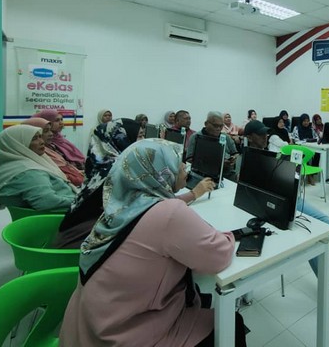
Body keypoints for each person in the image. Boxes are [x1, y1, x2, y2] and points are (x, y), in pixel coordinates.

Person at [59, 139, 247, 346]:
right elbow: (218, 257)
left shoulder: (120, 204)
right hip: (126, 335)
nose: (184, 168)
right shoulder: (169, 213)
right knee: (234, 322)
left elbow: (159, 209)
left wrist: (192, 196)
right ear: (160, 172)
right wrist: (228, 234)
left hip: (93, 326)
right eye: (179, 164)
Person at [243, 120, 329, 314]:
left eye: (265, 133)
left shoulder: (269, 152)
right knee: (323, 227)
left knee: (323, 229)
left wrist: (291, 173)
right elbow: (249, 191)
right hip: (273, 205)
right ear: (249, 137)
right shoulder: (247, 158)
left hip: (287, 198)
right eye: (260, 134)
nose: (265, 137)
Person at [54, 119, 140, 248]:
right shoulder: (115, 171)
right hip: (83, 243)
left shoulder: (100, 163)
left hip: (73, 233)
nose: (143, 141)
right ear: (121, 139)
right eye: (139, 136)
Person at [0, 124, 76, 211]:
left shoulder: (12, 167)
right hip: (61, 216)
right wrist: (80, 201)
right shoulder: (29, 172)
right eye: (34, 139)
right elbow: (46, 202)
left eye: (40, 137)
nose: (42, 142)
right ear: (18, 145)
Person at [23, 117, 84, 187]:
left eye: (50, 130)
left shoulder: (49, 148)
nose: (51, 134)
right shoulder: (29, 166)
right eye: (45, 131)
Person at [186, 111, 238, 181]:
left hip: (225, 174)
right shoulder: (196, 137)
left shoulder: (226, 137)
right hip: (201, 174)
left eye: (221, 126)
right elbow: (189, 160)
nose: (218, 129)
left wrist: (233, 159)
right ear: (206, 124)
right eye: (215, 126)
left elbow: (235, 154)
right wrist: (216, 163)